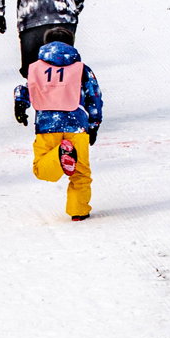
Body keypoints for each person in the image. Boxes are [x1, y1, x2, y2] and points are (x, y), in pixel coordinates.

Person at [13, 38, 102, 222]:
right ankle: (78, 211)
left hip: (47, 125)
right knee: (81, 173)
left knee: (41, 169)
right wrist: (94, 124)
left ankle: (58, 156)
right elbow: (94, 96)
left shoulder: (36, 68)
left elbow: (27, 89)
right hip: (77, 125)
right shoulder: (81, 69)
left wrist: (20, 105)